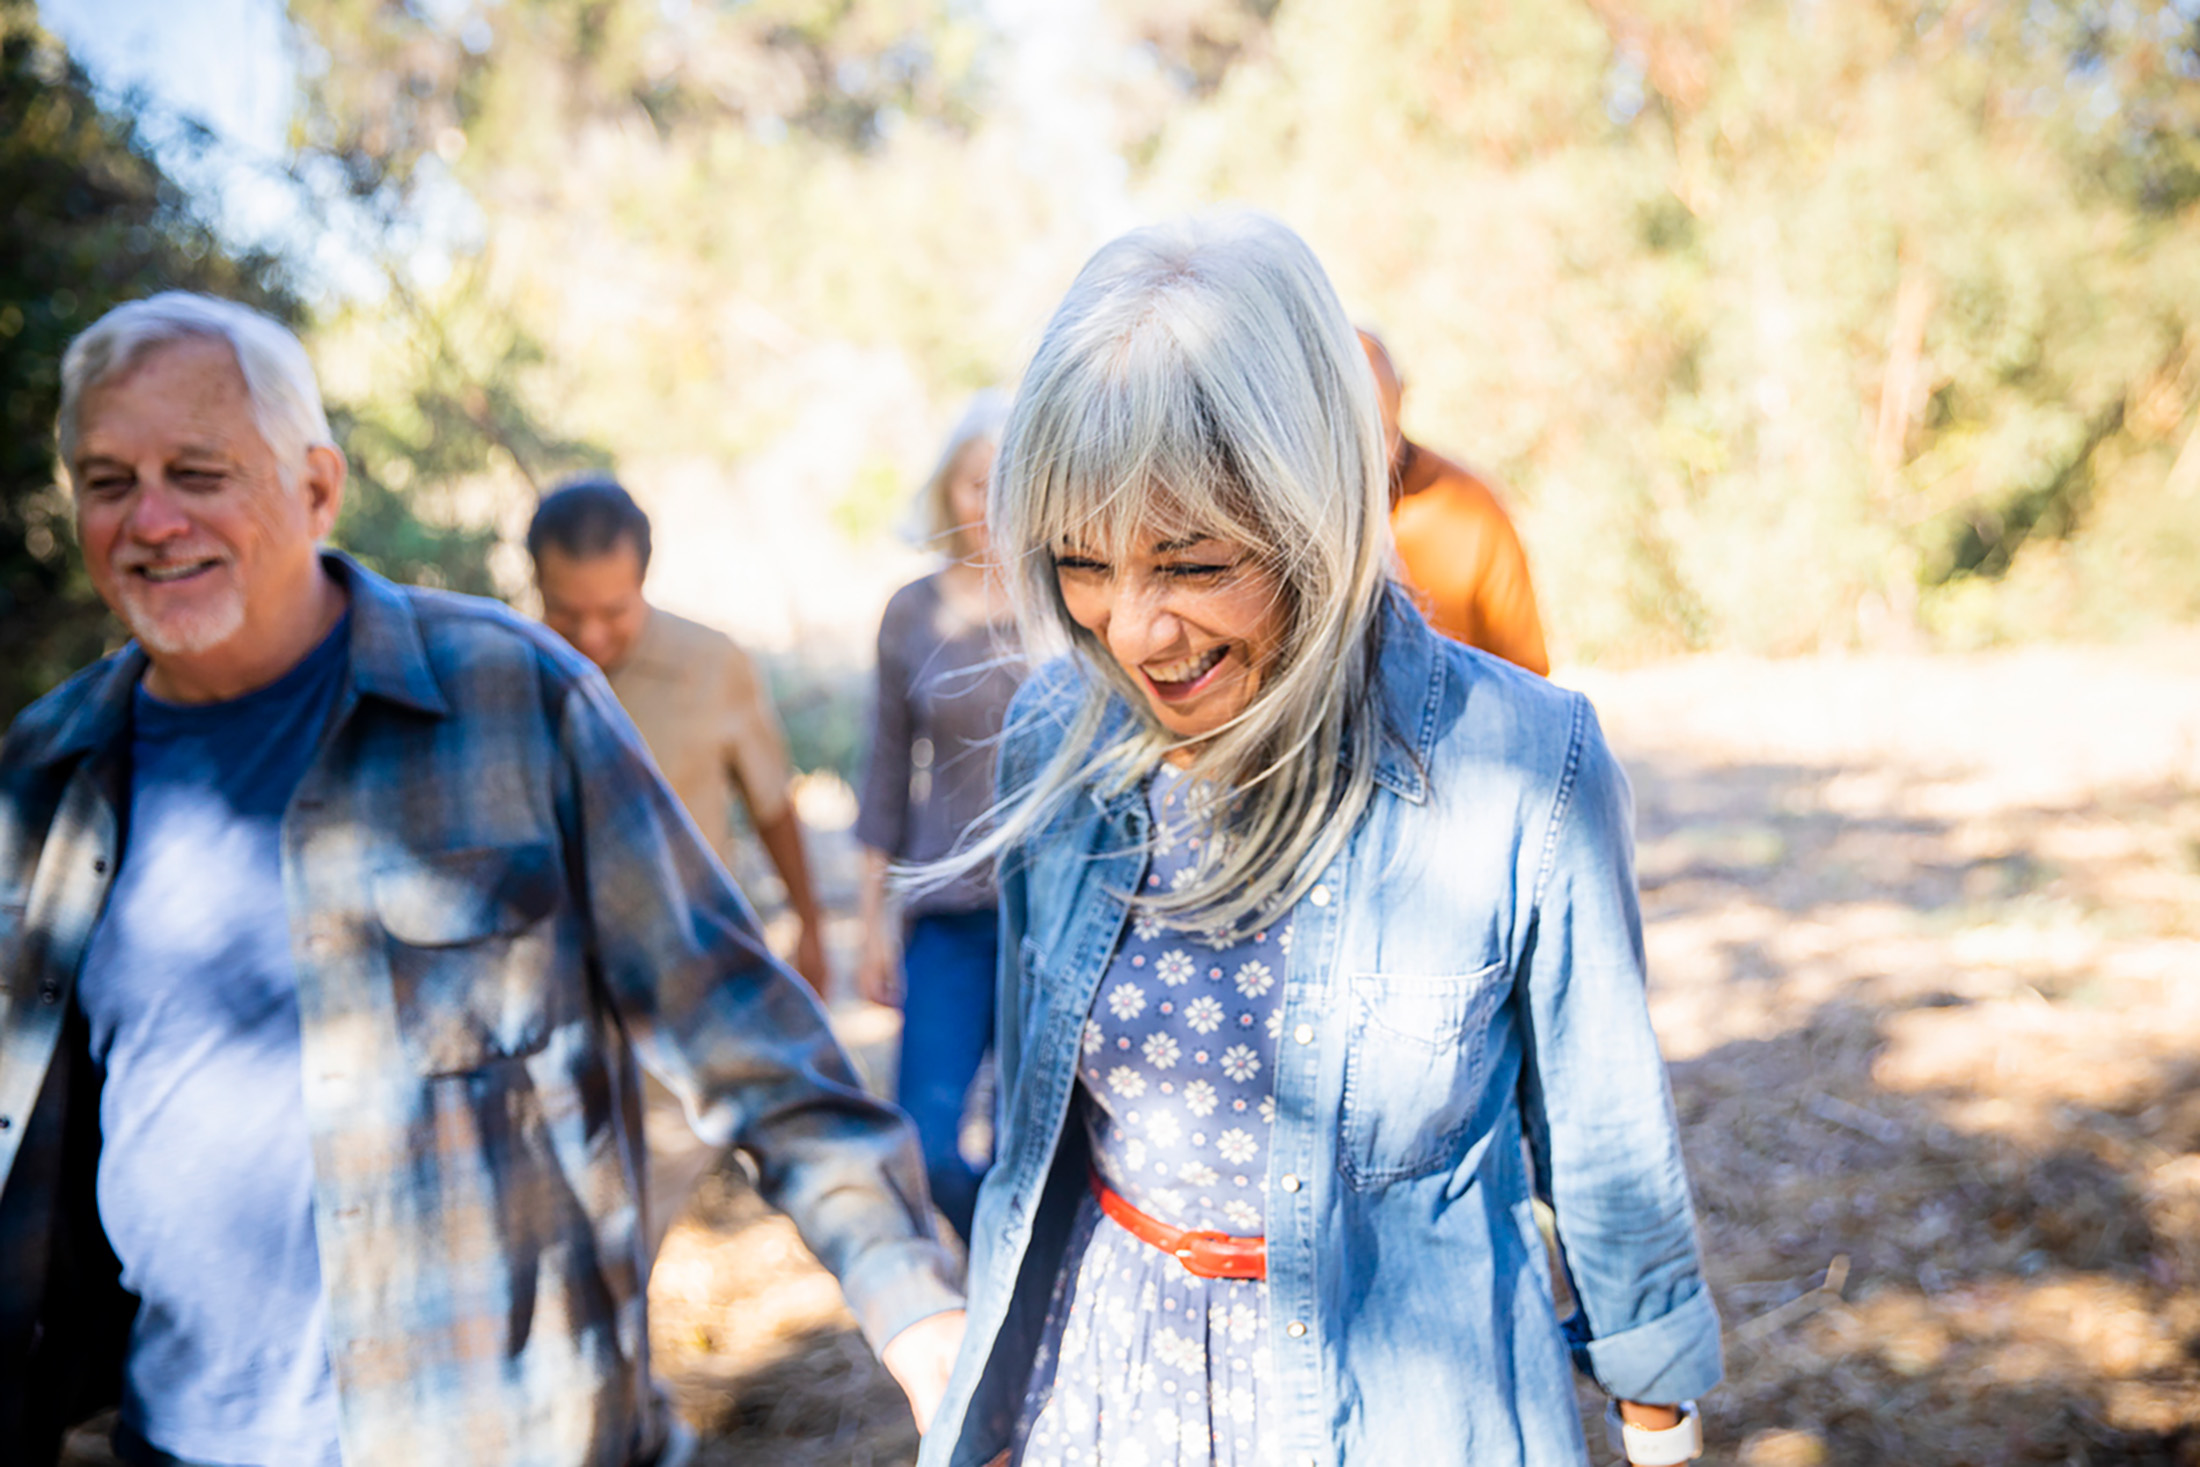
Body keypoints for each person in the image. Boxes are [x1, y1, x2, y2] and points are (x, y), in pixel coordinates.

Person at [0, 291, 965, 1467]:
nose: (151, 520)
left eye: (198, 473)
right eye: (109, 481)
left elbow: (744, 1036)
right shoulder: (46, 772)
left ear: (316, 487)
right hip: (176, 1443)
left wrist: (912, 1302)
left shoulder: (512, 697)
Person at [916, 217, 1721, 1467]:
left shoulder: (1525, 766)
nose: (1131, 632)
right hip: (1109, 1387)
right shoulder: (1051, 740)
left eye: (1191, 564)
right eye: (1081, 563)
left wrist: (1656, 1414)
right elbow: (1037, 1123)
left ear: (1317, 511)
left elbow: (1604, 1137)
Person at [527, 476, 828, 1259]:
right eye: (566, 612)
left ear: (644, 580)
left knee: (642, 1202)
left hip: (676, 984)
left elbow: (771, 804)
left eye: (613, 611)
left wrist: (810, 926)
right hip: (553, 983)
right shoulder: (509, 669)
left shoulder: (712, 664)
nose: (591, 635)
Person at [853, 393, 1025, 1245]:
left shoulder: (1068, 600)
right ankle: (992, 1255)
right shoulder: (911, 612)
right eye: (972, 483)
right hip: (947, 915)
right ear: (946, 490)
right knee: (926, 1143)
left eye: (1005, 483)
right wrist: (871, 925)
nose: (987, 503)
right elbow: (885, 773)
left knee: (1035, 1143)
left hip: (1048, 914)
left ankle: (1014, 1290)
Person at [1360, 328, 1551, 675]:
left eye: (1382, 434)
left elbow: (1524, 671)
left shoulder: (1470, 508)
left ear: (1402, 394)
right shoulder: (1293, 516)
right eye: (1355, 436)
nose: (1371, 455)